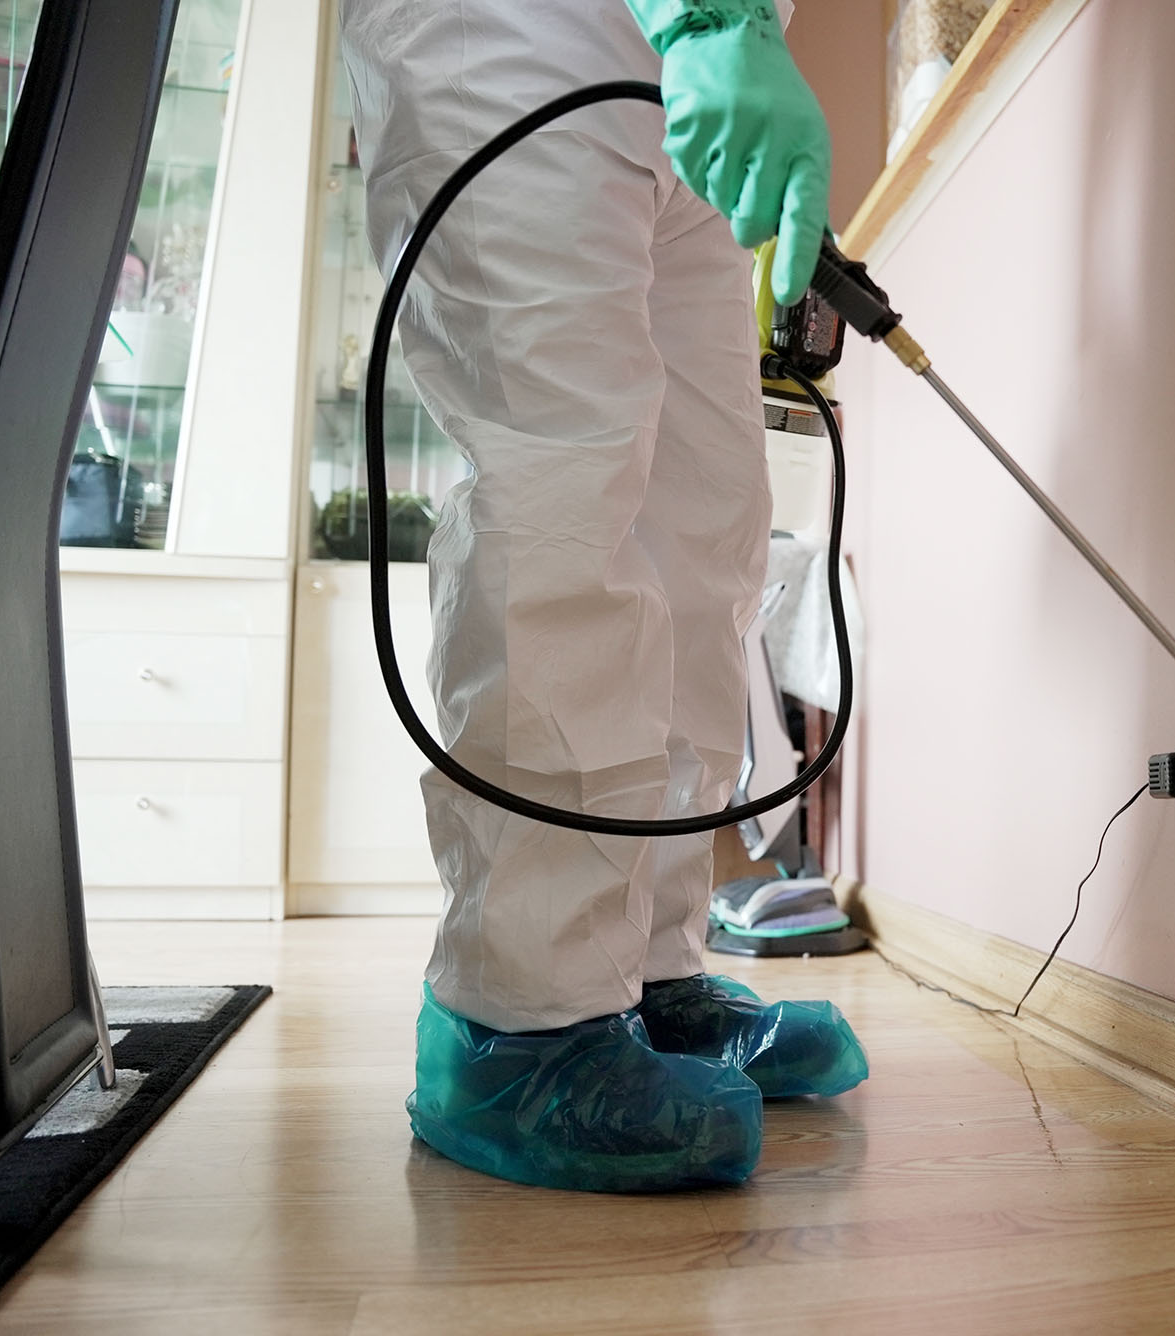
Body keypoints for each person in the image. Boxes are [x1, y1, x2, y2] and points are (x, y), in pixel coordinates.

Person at [339, 0, 866, 1192]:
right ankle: (519, 1025)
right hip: (514, 26)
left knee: (704, 519)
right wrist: (709, 17)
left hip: (686, 60)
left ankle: (645, 974)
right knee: (563, 491)